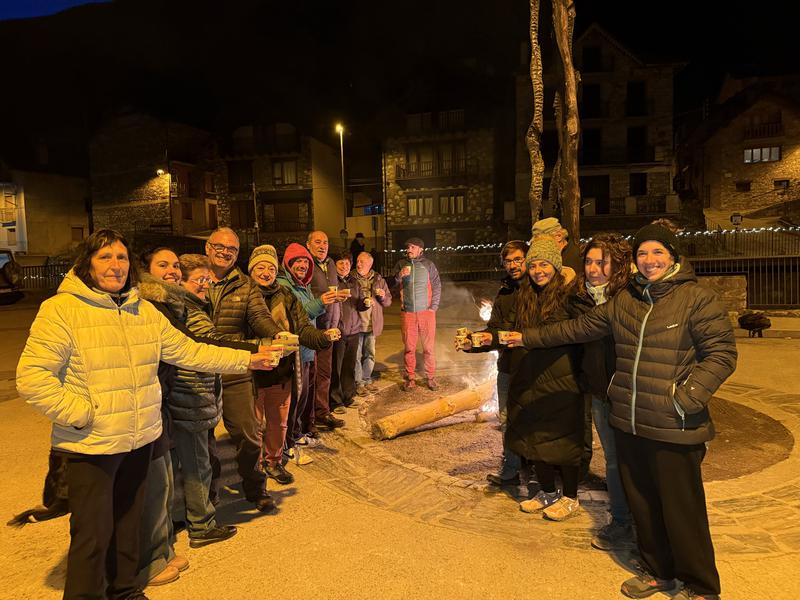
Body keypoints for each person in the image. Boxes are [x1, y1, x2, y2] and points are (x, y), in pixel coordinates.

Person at [15, 229, 275, 600]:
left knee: (128, 524)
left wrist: (246, 358)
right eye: (105, 257)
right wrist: (82, 414)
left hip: (140, 439)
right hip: (92, 445)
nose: (115, 265)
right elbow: (33, 378)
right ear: (87, 263)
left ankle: (125, 591)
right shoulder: (62, 310)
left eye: (121, 258)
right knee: (91, 534)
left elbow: (190, 351)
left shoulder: (144, 311)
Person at [508, 224, 736, 600]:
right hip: (628, 420)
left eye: (658, 253)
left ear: (674, 256)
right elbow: (577, 328)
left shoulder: (697, 298)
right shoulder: (626, 301)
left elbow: (722, 354)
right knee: (644, 504)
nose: (650, 261)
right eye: (643, 254)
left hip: (674, 425)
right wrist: (523, 337)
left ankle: (700, 585)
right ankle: (657, 572)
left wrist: (686, 397)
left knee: (681, 510)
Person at [499, 235, 585, 521]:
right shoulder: (525, 294)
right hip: (531, 375)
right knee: (535, 438)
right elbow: (508, 328)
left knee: (561, 440)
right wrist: (484, 339)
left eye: (544, 264)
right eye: (534, 265)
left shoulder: (570, 293)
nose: (538, 271)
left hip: (562, 376)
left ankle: (571, 497)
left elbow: (568, 331)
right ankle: (547, 491)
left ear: (556, 265)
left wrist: (527, 338)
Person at [204, 227, 283, 512]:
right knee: (203, 439)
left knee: (249, 434)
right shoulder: (193, 280)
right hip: (199, 372)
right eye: (220, 247)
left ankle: (255, 486)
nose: (225, 252)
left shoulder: (245, 285)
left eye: (232, 249)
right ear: (208, 248)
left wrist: (277, 335)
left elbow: (260, 317)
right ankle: (208, 495)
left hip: (236, 370)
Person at [569, 233, 635, 550]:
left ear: (618, 265)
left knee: (635, 461)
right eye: (589, 262)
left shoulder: (632, 297)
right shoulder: (581, 299)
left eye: (602, 262)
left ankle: (645, 522)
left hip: (632, 394)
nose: (594, 269)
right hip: (600, 393)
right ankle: (621, 521)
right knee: (612, 460)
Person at [248, 245, 333, 481]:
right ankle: (253, 470)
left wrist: (322, 338)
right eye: (261, 267)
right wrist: (261, 345)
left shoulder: (285, 295)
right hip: (252, 370)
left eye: (271, 268)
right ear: (251, 269)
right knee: (253, 424)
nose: (266, 272)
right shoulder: (245, 294)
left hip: (282, 368)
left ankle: (274, 461)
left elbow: (302, 325)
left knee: (278, 421)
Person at [458, 240, 529, 486]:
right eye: (508, 261)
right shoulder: (505, 291)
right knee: (508, 418)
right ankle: (511, 469)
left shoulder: (538, 290)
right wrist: (474, 343)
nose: (513, 265)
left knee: (534, 419)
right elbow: (495, 331)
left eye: (518, 259)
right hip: (507, 366)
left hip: (533, 367)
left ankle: (538, 473)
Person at [277, 243, 341, 452]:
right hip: (294, 352)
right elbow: (300, 316)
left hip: (307, 350)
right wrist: (321, 302)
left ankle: (297, 434)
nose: (303, 265)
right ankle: (289, 442)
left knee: (304, 396)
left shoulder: (301, 286)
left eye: (306, 262)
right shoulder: (284, 286)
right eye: (298, 261)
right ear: (288, 263)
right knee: (294, 399)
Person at [306, 231, 345, 430]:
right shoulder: (306, 264)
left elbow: (333, 293)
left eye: (326, 242)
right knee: (309, 376)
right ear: (309, 244)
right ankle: (308, 418)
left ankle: (322, 412)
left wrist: (338, 321)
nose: (323, 245)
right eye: (318, 242)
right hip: (312, 328)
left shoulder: (330, 264)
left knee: (325, 374)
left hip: (330, 327)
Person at [393, 237, 441, 391]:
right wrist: (399, 275)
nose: (409, 250)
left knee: (428, 348)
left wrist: (433, 307)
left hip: (426, 313)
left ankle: (431, 377)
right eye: (408, 247)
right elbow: (392, 286)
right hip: (408, 313)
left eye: (413, 247)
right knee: (409, 347)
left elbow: (437, 286)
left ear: (421, 249)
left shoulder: (429, 265)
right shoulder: (401, 264)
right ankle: (410, 378)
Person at [352, 251, 391, 395]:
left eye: (361, 261)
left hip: (371, 324)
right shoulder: (351, 278)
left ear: (370, 264)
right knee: (356, 355)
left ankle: (366, 379)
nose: (358, 264)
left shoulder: (379, 279)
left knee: (370, 354)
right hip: (356, 324)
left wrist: (382, 296)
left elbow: (388, 301)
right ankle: (358, 383)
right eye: (357, 261)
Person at [329, 250, 364, 412]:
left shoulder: (354, 282)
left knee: (349, 366)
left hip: (354, 330)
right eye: (341, 263)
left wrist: (366, 303)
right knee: (336, 366)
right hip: (339, 330)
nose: (345, 266)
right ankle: (335, 401)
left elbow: (360, 304)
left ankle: (348, 396)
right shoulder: (332, 282)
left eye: (347, 263)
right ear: (335, 265)